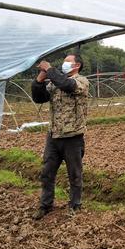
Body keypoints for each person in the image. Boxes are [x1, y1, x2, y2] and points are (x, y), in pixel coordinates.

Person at [31, 53, 89, 219]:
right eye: (64, 61)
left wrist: (49, 69)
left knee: (74, 174)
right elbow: (39, 97)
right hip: (54, 136)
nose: (64, 64)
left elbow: (68, 85)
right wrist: (41, 76)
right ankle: (46, 205)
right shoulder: (55, 83)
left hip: (73, 137)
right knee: (47, 173)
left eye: (67, 62)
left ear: (77, 65)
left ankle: (75, 205)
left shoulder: (81, 81)